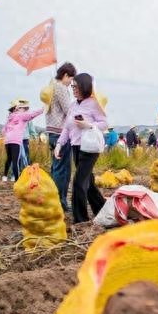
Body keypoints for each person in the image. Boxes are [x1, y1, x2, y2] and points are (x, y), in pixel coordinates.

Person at [54, 73, 108, 224]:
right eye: (73, 87)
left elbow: (104, 123)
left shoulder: (94, 103)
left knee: (78, 182)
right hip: (76, 147)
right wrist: (59, 144)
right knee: (88, 183)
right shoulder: (72, 105)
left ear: (85, 86)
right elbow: (66, 128)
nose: (74, 89)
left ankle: (81, 220)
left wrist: (89, 125)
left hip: (90, 149)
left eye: (76, 87)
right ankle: (103, 210)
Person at [44, 63, 76, 211]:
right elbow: (69, 110)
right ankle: (60, 201)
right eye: (71, 79)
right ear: (65, 75)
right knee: (63, 170)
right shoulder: (61, 88)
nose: (71, 83)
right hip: (60, 133)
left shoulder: (51, 86)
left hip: (51, 132)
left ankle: (54, 199)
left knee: (56, 167)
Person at [3, 99, 43, 182]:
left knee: (9, 159)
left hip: (7, 141)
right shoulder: (21, 115)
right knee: (16, 161)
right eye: (19, 107)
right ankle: (17, 180)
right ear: (16, 108)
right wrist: (43, 109)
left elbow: (4, 130)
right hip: (16, 141)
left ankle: (5, 176)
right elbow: (32, 115)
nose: (21, 108)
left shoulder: (9, 117)